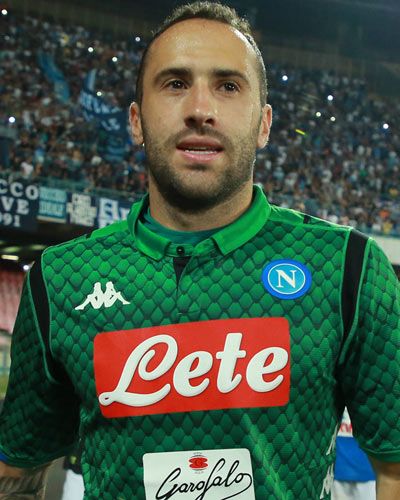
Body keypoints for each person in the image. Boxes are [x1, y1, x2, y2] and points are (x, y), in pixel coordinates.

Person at [0, 2, 399, 499]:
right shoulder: (60, 279)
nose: (200, 109)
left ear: (264, 124)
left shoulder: (347, 268)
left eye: (228, 86)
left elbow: (394, 471)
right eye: (175, 83)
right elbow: (18, 472)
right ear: (137, 121)